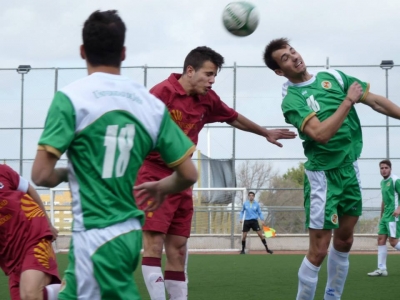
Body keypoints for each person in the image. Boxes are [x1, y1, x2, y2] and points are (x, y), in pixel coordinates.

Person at [31, 10, 198, 300]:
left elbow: (40, 175)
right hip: (129, 233)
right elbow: (188, 174)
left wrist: (68, 172)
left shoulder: (71, 98)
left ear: (83, 51)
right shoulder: (150, 104)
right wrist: (161, 186)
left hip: (95, 234)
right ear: (123, 52)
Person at [136, 45, 296, 300]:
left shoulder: (207, 99)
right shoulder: (161, 93)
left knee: (177, 250)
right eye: (208, 74)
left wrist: (265, 132)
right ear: (190, 70)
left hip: (182, 181)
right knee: (153, 246)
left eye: (215, 76)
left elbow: (233, 117)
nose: (212, 81)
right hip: (154, 177)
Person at [263, 38, 400, 300]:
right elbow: (320, 135)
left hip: (350, 170)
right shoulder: (291, 99)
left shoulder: (333, 77)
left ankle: (332, 297)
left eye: (292, 51)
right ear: (280, 72)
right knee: (319, 249)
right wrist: (348, 102)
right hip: (323, 177)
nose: (293, 57)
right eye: (285, 58)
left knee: (345, 241)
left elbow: (375, 101)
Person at [0, 164, 60, 300]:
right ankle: (65, 294)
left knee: (30, 294)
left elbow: (29, 190)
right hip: (10, 257)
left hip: (34, 235)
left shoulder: (2, 171)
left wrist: (48, 223)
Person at [368, 159, 400, 277]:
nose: (384, 170)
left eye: (386, 168)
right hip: (385, 216)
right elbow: (384, 200)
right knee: (380, 239)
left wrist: (399, 209)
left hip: (394, 216)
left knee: (393, 242)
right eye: (382, 168)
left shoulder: (395, 180)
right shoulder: (382, 182)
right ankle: (382, 269)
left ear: (390, 169)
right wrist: (381, 215)